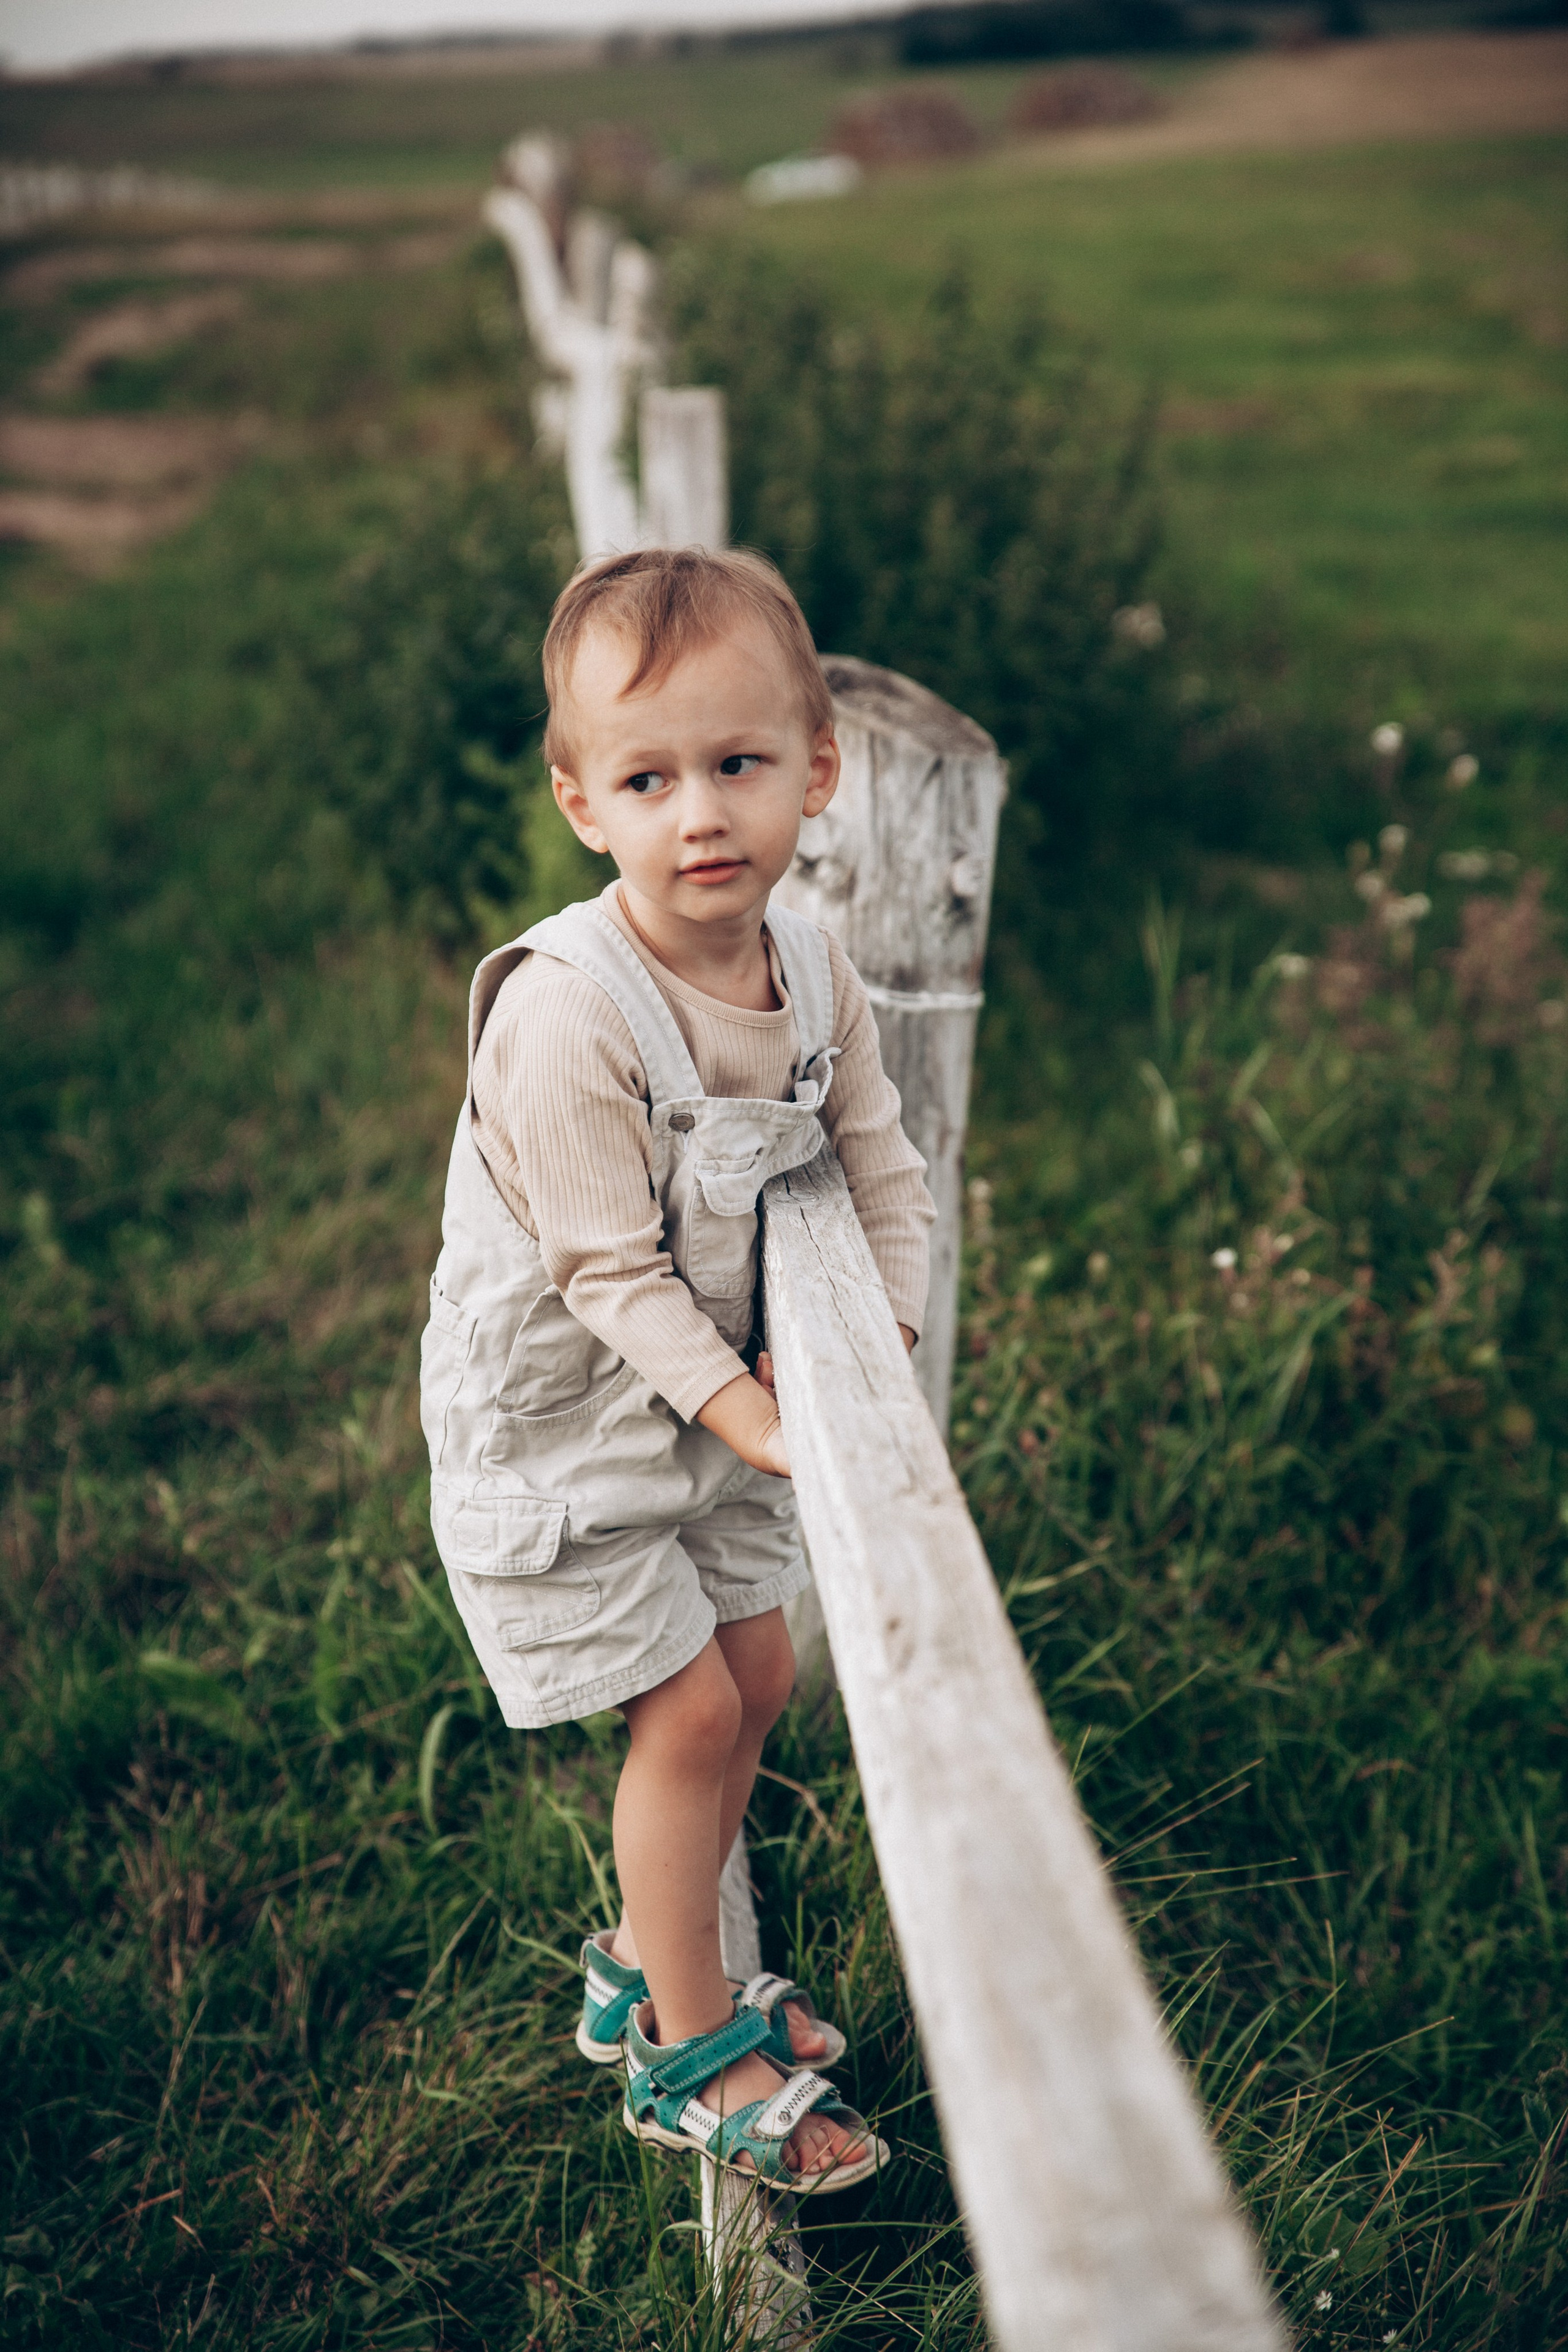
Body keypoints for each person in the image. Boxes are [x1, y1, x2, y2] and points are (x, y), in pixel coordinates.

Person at [420, 546, 933, 2191]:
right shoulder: (568, 1015)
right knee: (692, 1707)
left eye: (738, 764)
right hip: (569, 1430)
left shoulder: (815, 975)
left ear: (817, 772)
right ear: (584, 805)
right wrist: (759, 1415)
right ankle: (685, 2055)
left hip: (711, 1413)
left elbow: (882, 1163)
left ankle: (654, 1956)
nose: (700, 814)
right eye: (649, 780)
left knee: (760, 1673)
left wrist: (882, 1345)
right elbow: (606, 1274)